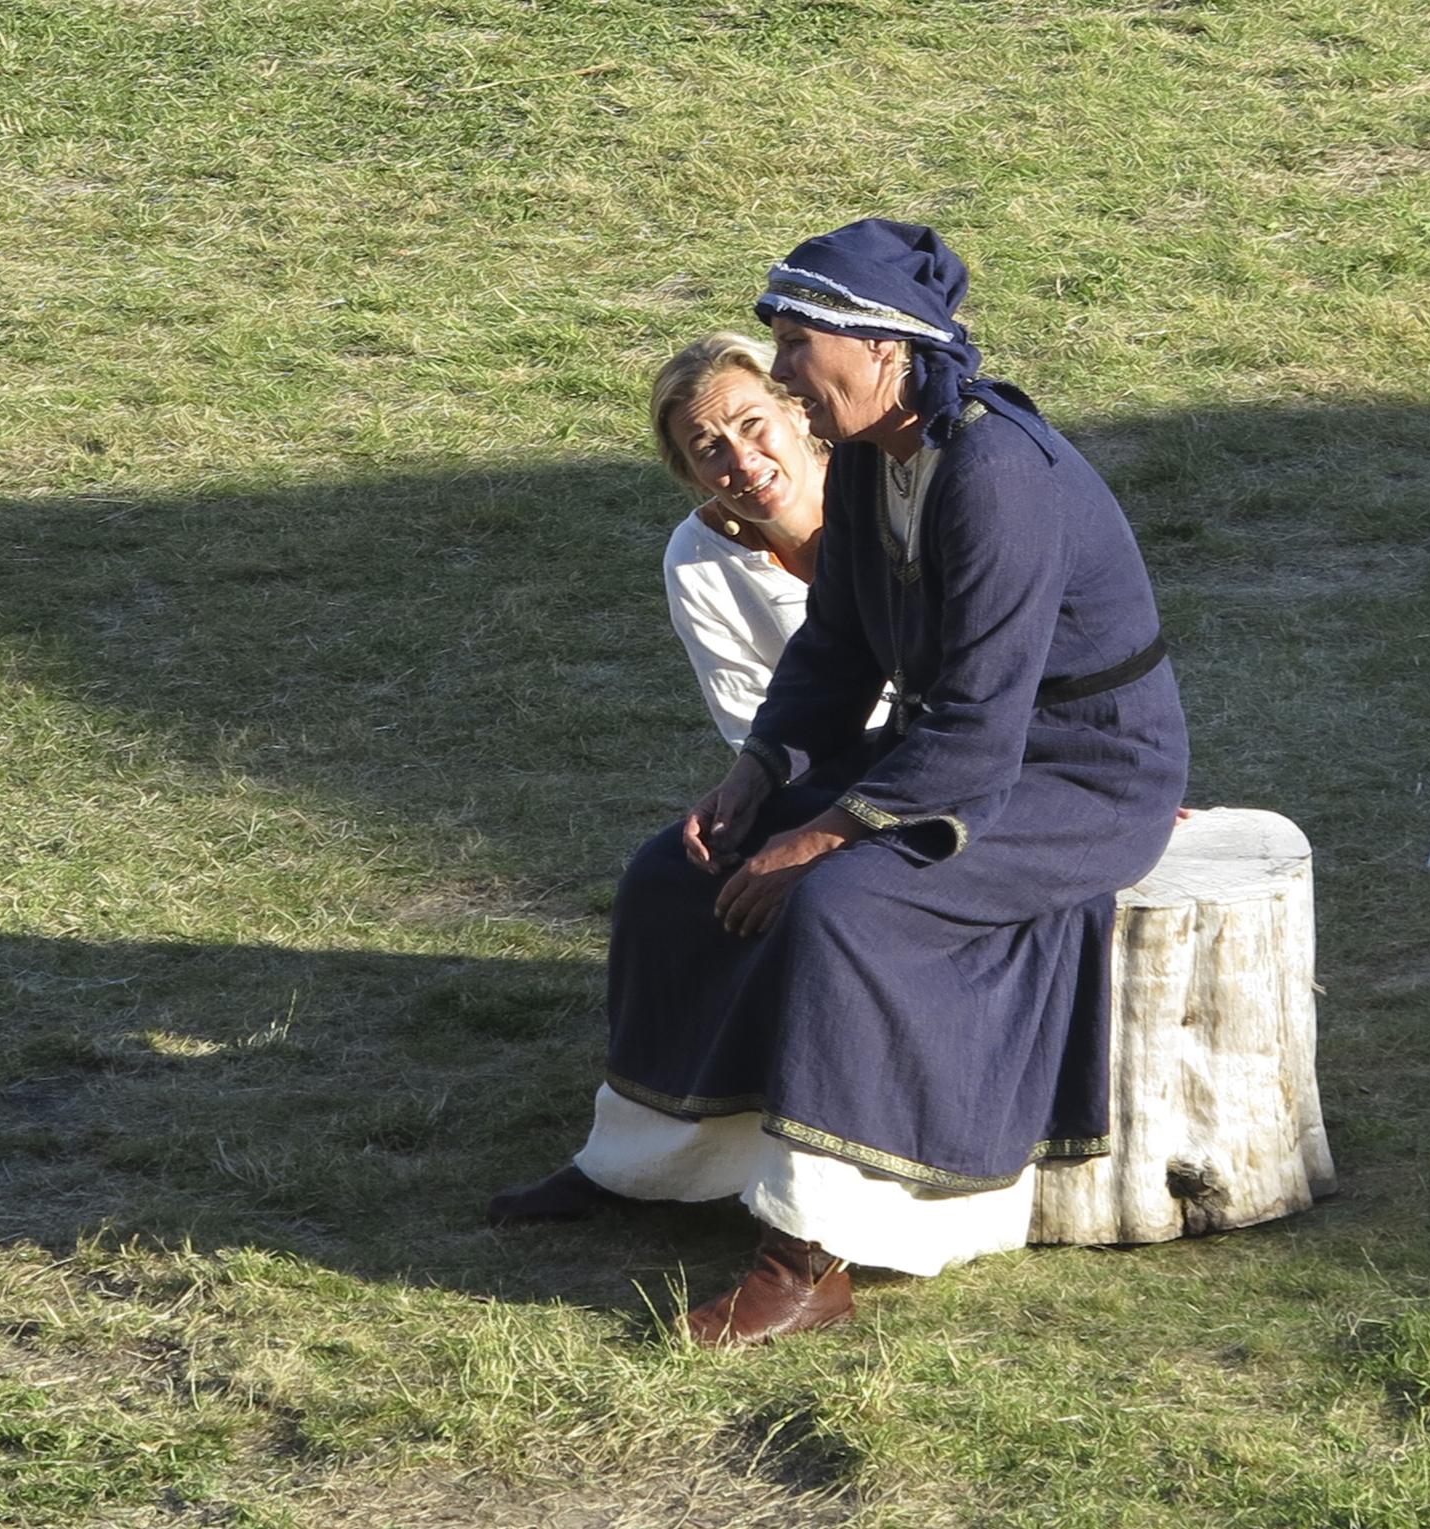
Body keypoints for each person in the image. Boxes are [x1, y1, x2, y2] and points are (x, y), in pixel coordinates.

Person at [488, 220, 1189, 1347]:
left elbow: (977, 724)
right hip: (961, 744)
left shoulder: (998, 476)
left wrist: (820, 839)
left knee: (843, 906)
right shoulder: (872, 454)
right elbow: (837, 649)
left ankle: (812, 1254)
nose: (780, 374)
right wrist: (758, 777)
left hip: (1081, 771)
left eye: (797, 344)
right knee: (676, 870)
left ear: (883, 347)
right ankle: (654, 1165)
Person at [650, 332, 836, 751]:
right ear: (692, 475)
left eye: (751, 425)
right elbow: (756, 730)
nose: (743, 461)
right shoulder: (696, 560)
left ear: (796, 412)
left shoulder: (889, 492)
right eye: (709, 448)